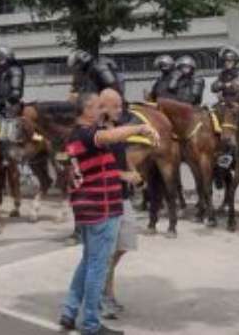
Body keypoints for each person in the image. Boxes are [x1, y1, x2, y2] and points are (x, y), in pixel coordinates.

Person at [58, 91, 153, 335]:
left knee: (88, 261)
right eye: (99, 106)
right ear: (87, 110)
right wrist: (140, 128)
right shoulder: (88, 134)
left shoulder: (75, 134)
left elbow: (100, 167)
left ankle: (69, 311)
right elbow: (108, 136)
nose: (103, 110)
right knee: (97, 267)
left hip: (88, 206)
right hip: (101, 206)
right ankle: (90, 323)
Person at [94, 90, 141, 322]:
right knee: (107, 252)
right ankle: (104, 297)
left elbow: (124, 153)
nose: (122, 110)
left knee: (123, 246)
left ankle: (106, 292)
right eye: (118, 106)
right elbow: (96, 167)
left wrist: (132, 170)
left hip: (122, 197)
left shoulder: (117, 128)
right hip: (105, 199)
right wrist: (123, 175)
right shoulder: (96, 133)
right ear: (105, 107)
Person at [0, 46, 26, 120]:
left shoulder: (15, 69)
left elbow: (16, 92)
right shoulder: (2, 71)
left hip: (10, 105)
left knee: (7, 125)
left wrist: (4, 101)